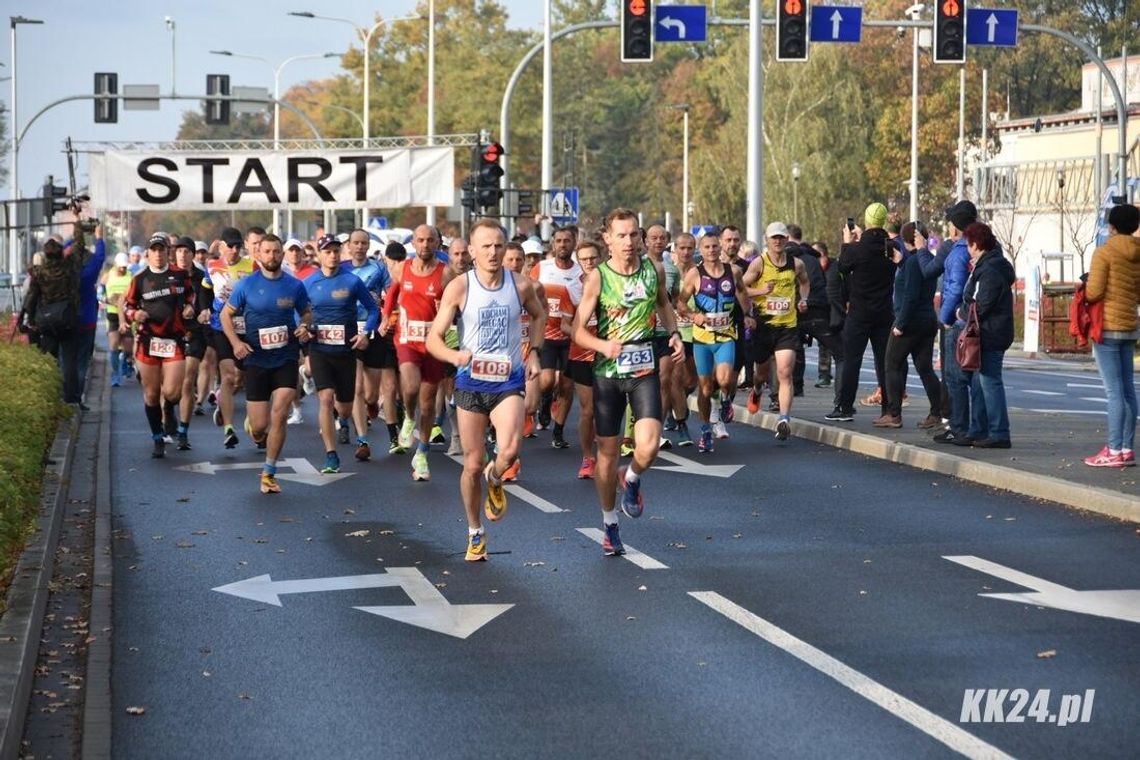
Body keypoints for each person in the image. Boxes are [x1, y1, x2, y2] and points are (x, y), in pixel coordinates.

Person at [426, 220, 545, 561]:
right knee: (472, 465)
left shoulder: (521, 285)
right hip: (471, 383)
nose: (493, 252)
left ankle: (497, 477)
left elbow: (539, 317)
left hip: (508, 380)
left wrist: (534, 351)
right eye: (486, 246)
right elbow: (433, 339)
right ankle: (475, 531)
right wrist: (453, 355)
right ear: (472, 252)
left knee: (509, 449)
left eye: (498, 246)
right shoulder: (460, 288)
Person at [571, 209, 684, 557]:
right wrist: (603, 345)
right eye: (621, 236)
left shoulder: (654, 270)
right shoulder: (598, 278)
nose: (629, 242)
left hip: (643, 370)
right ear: (608, 239)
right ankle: (609, 524)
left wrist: (674, 333)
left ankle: (632, 477)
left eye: (633, 235)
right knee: (606, 455)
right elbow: (575, 330)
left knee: (648, 447)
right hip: (608, 375)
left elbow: (664, 305)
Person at [221, 234, 313, 494]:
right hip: (257, 359)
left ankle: (269, 472)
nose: (272, 256)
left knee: (281, 411)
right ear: (258, 255)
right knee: (260, 428)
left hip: (285, 356)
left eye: (276, 251)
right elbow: (225, 315)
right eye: (267, 251)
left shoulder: (294, 286)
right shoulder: (246, 285)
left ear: (282, 255)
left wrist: (305, 325)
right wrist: (236, 343)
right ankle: (254, 427)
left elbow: (306, 311)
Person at [380, 224, 455, 482]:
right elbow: (393, 292)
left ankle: (421, 453)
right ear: (413, 241)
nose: (425, 245)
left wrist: (446, 313)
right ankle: (408, 418)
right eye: (420, 240)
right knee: (410, 387)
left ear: (438, 243)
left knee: (428, 403)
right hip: (407, 339)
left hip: (433, 344)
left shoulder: (447, 274)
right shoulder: (404, 268)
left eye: (430, 240)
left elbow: (457, 304)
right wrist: (385, 317)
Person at [305, 233, 380, 473]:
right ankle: (331, 454)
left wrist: (365, 333)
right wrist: (302, 327)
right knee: (325, 399)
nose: (333, 255)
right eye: (327, 251)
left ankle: (344, 419)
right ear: (319, 255)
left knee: (344, 406)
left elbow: (373, 310)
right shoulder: (308, 283)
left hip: (346, 351)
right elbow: (297, 312)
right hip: (319, 350)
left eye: (336, 251)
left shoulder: (352, 281)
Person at [121, 234, 196, 458]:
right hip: (148, 341)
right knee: (151, 394)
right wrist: (135, 314)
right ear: (148, 253)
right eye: (154, 250)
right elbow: (127, 305)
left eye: (162, 249)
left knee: (173, 392)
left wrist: (190, 308)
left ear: (167, 252)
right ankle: (157, 437)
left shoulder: (180, 275)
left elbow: (191, 296)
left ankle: (169, 408)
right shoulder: (140, 278)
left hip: (173, 340)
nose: (158, 253)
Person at [678, 234, 752, 453]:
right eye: (707, 247)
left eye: (714, 246)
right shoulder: (694, 274)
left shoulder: (734, 271)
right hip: (702, 339)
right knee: (706, 387)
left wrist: (748, 314)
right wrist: (694, 316)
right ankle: (705, 430)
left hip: (726, 336)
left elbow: (742, 292)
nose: (711, 250)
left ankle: (727, 400)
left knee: (725, 378)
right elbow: (680, 303)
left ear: (720, 247)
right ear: (701, 249)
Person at [827, 204, 897, 423]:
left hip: (859, 312)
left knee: (851, 361)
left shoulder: (856, 250)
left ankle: (845, 407)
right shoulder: (891, 249)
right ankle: (889, 409)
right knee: (885, 363)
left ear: (866, 222)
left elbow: (841, 269)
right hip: (884, 313)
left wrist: (847, 244)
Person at [742, 222, 811, 440]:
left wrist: (803, 300)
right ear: (767, 240)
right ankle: (757, 390)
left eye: (781, 237)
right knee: (761, 374)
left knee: (784, 373)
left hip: (787, 327)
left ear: (787, 239)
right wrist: (761, 290)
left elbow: (805, 283)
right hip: (764, 326)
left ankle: (783, 419)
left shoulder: (796, 264)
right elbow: (740, 288)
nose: (778, 241)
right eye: (774, 238)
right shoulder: (759, 264)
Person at [1083, 204, 1140, 467]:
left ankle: (1114, 450)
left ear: (1112, 226)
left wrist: (1084, 286)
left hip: (1106, 327)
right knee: (1128, 391)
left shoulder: (1103, 253)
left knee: (1113, 392)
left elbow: (1094, 292)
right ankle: (1127, 448)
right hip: (1129, 327)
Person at [955, 222, 1014, 448]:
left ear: (976, 245)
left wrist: (961, 311)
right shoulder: (990, 266)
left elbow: (981, 304)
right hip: (991, 331)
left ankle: (999, 432)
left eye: (969, 245)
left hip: (990, 333)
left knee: (990, 381)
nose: (967, 249)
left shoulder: (989, 270)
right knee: (980, 382)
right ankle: (978, 429)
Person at [879, 222, 943, 429]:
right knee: (925, 368)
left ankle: (893, 414)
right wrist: (900, 263)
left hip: (910, 322)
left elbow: (911, 295)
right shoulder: (925, 260)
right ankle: (939, 411)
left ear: (909, 240)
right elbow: (915, 283)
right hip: (927, 321)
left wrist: (900, 324)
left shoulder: (914, 262)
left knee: (891, 364)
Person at [340, 229, 394, 459]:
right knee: (357, 388)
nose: (360, 247)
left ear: (368, 245)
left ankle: (372, 406)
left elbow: (391, 292)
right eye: (356, 243)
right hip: (350, 330)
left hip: (373, 329)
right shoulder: (341, 268)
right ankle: (362, 440)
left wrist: (387, 315)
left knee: (372, 394)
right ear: (349, 246)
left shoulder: (378, 267)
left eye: (364, 243)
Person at [207, 227, 259, 448]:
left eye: (238, 246)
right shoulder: (211, 266)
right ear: (222, 246)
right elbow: (204, 291)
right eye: (230, 246)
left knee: (243, 377)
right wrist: (203, 309)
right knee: (228, 377)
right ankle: (229, 429)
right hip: (221, 327)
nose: (235, 250)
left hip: (246, 327)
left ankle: (251, 417)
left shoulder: (252, 266)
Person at [932, 200, 979, 445]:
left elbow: (953, 289)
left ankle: (959, 427)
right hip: (977, 319)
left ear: (956, 226)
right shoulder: (986, 246)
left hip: (958, 322)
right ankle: (978, 427)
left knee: (955, 377)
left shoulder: (959, 252)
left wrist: (945, 319)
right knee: (977, 379)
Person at [22, 233, 86, 405]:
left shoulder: (39, 273)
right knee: (70, 361)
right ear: (61, 253)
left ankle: (50, 397)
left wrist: (30, 320)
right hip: (68, 320)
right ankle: (71, 397)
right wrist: (78, 224)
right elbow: (80, 248)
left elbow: (31, 298)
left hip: (47, 321)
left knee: (49, 359)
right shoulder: (69, 267)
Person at [533, 225, 581, 448]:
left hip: (571, 337)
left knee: (566, 386)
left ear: (574, 243)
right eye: (559, 241)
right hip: (546, 336)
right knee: (546, 382)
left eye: (567, 241)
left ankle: (558, 433)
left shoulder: (581, 272)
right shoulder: (542, 268)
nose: (563, 244)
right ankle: (544, 401)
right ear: (553, 244)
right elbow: (527, 295)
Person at [566, 239, 603, 477]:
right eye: (584, 259)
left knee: (606, 408)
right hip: (581, 353)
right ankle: (588, 457)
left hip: (607, 353)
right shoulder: (571, 288)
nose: (589, 262)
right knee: (588, 410)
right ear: (578, 261)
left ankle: (606, 455)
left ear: (600, 258)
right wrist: (582, 334)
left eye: (593, 258)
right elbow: (563, 324)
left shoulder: (611, 282)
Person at [173, 236, 214, 450]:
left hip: (195, 334)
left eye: (186, 251)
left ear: (192, 254)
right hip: (170, 335)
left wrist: (202, 313)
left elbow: (210, 303)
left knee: (187, 381)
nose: (182, 255)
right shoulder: (167, 276)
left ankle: (183, 431)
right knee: (168, 388)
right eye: (178, 251)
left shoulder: (202, 277)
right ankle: (167, 422)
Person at [102, 251, 135, 387]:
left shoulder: (131, 276)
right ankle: (115, 374)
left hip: (127, 314)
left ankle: (127, 361)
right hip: (113, 314)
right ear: (115, 265)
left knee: (128, 344)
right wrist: (107, 298)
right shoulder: (108, 275)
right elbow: (100, 292)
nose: (123, 269)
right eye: (121, 266)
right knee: (114, 344)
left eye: (125, 267)